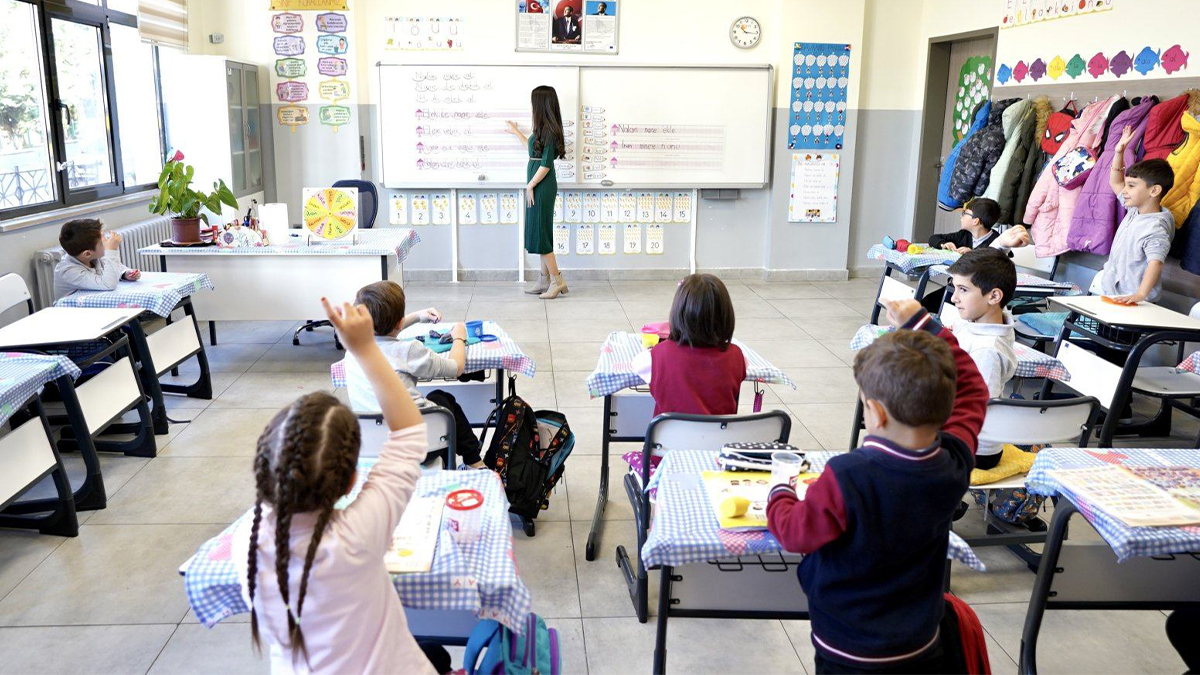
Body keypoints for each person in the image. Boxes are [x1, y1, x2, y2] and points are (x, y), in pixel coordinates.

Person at [767, 298, 988, 674]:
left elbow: (794, 533)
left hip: (846, 648)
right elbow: (973, 390)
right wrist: (924, 323)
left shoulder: (847, 474)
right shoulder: (952, 463)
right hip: (920, 643)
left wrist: (779, 492)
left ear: (877, 413)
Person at [232, 296, 439, 674]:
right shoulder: (359, 535)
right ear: (351, 482)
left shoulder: (246, 537)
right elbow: (409, 433)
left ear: (264, 470)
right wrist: (364, 349)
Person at [341, 280, 485, 469]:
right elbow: (456, 367)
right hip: (420, 447)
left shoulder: (352, 349)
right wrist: (459, 336)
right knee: (442, 399)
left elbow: (384, 328)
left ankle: (473, 462)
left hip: (373, 446)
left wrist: (418, 316)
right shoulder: (408, 351)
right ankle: (475, 462)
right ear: (399, 322)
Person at [631, 274, 745, 417]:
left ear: (678, 312)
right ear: (726, 315)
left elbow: (635, 364)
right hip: (720, 438)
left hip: (669, 438)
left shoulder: (653, 357)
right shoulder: (738, 357)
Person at [944, 248, 1017, 470]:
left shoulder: (987, 350)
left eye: (963, 290)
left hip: (975, 448)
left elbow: (979, 407)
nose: (954, 298)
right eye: (954, 288)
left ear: (994, 296)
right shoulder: (982, 324)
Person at [1095, 127, 1176, 304]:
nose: (1124, 190)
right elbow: (1115, 181)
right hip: (1114, 294)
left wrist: (1140, 296)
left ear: (1154, 190)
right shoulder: (1135, 210)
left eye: (1131, 186)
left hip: (1134, 302)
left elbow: (1155, 263)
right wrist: (1119, 151)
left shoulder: (1156, 228)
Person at [506, 86, 569, 299]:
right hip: (537, 184)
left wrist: (530, 185)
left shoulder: (550, 132)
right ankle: (544, 281)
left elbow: (546, 165)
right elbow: (532, 150)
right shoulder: (541, 130)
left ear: (541, 105)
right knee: (540, 231)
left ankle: (558, 281)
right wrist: (516, 131)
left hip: (541, 185)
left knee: (541, 234)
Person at [54, 218, 141, 300]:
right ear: (87, 253)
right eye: (102, 242)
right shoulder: (67, 271)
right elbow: (109, 284)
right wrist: (111, 250)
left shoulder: (93, 257)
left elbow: (113, 269)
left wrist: (125, 274)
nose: (106, 242)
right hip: (74, 312)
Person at [929, 197, 1030, 255]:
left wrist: (973, 253)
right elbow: (933, 238)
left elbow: (1000, 258)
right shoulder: (963, 234)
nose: (961, 217)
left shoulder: (996, 239)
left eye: (965, 214)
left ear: (975, 221)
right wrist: (943, 244)